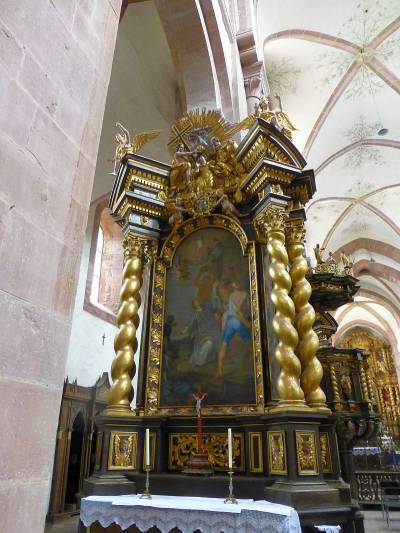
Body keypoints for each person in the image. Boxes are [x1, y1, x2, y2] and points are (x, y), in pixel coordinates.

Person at [216, 281, 251, 378]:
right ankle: (245, 367)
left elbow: (229, 311)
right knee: (251, 343)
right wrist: (246, 323)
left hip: (229, 321)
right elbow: (238, 312)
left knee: (224, 345)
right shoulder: (243, 294)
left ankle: (220, 371)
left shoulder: (230, 296)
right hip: (236, 321)